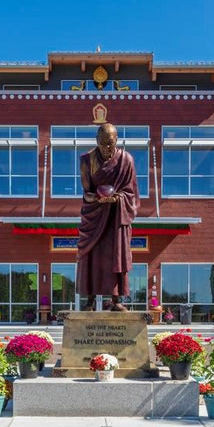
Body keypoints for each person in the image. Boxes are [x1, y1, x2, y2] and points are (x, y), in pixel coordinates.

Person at [75, 122, 139, 311]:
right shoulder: (87, 160)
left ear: (117, 140)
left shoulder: (126, 160)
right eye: (102, 143)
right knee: (90, 257)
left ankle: (116, 300)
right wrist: (97, 198)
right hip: (95, 215)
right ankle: (90, 301)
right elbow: (86, 192)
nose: (106, 147)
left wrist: (117, 198)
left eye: (110, 143)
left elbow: (131, 192)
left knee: (115, 256)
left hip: (116, 218)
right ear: (96, 141)